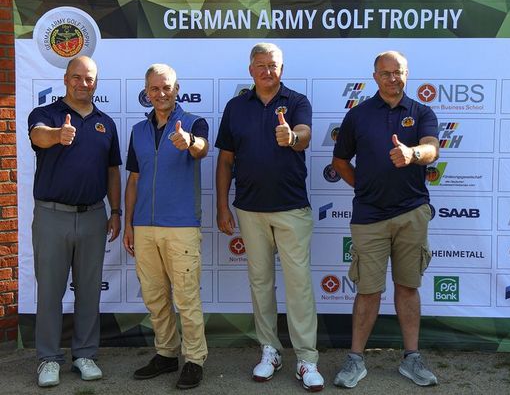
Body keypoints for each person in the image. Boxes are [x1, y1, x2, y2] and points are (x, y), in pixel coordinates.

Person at [215, 43, 324, 392]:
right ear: (250, 70)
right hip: (249, 209)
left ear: (282, 68)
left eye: (273, 65)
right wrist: (222, 205)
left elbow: (304, 137)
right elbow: (225, 160)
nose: (267, 71)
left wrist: (292, 137)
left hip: (291, 208)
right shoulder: (235, 107)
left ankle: (306, 359)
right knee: (260, 283)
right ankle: (270, 350)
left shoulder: (296, 102)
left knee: (298, 287)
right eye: (260, 66)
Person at [332, 51, 440, 388]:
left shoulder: (421, 111)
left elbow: (432, 149)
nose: (393, 79)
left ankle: (411, 358)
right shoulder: (358, 115)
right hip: (369, 217)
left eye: (399, 72)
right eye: (386, 73)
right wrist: (364, 186)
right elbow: (340, 162)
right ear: (375, 76)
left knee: (408, 287)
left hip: (411, 213)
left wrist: (412, 154)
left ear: (407, 74)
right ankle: (355, 360)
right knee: (368, 290)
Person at [28, 55, 122, 387]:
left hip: (95, 216)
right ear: (66, 79)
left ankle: (84, 354)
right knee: (50, 292)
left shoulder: (105, 123)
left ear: (96, 82)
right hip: (52, 216)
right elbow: (38, 136)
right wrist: (57, 135)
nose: (84, 83)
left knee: (88, 292)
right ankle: (48, 359)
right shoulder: (46, 114)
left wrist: (116, 212)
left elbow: (113, 171)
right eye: (77, 77)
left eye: (90, 78)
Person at [123, 63, 209, 390]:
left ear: (177, 89)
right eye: (155, 89)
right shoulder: (138, 132)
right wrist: (131, 223)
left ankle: (195, 359)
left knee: (186, 298)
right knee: (155, 296)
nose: (161, 94)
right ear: (147, 93)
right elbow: (134, 179)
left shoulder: (193, 123)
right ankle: (166, 353)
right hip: (144, 226)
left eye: (167, 87)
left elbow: (202, 149)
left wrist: (189, 142)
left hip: (181, 225)